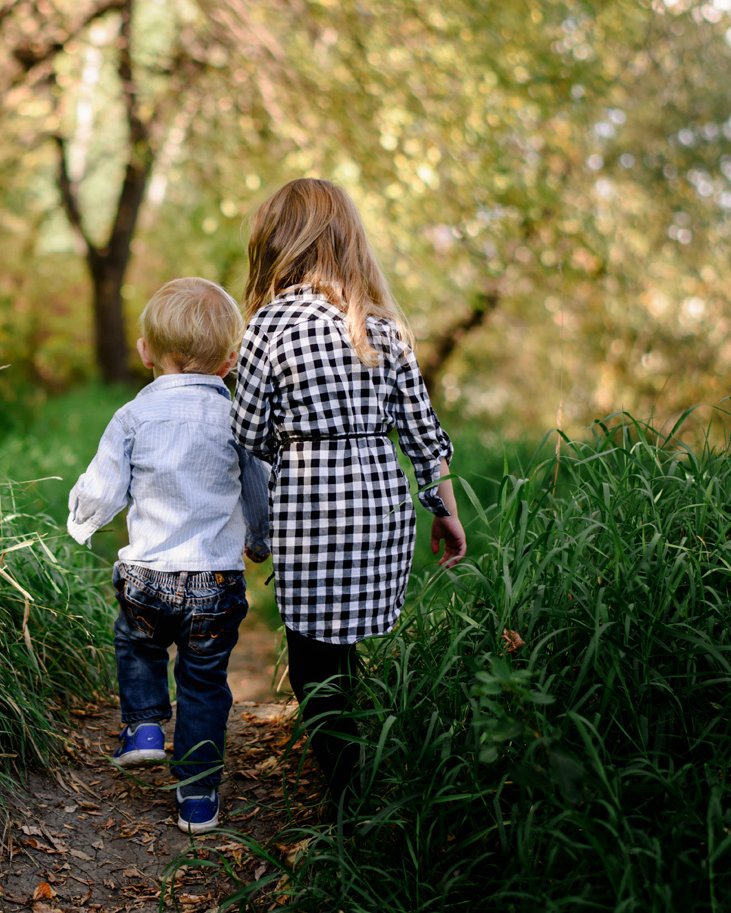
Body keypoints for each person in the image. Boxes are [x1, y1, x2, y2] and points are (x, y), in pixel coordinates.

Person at [230, 177, 468, 821]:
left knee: (314, 662)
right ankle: (370, 768)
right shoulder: (382, 327)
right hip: (382, 506)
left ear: (277, 245)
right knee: (353, 641)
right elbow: (423, 433)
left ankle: (349, 798)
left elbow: (248, 431)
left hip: (312, 509)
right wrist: (444, 513)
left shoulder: (269, 326)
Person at [67, 277, 272, 834]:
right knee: (205, 683)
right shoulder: (239, 418)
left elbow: (105, 486)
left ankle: (144, 727)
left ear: (144, 352)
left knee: (138, 642)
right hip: (215, 580)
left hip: (148, 576)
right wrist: (260, 539)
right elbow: (258, 485)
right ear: (231, 361)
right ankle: (198, 797)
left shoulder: (133, 416)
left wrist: (83, 522)